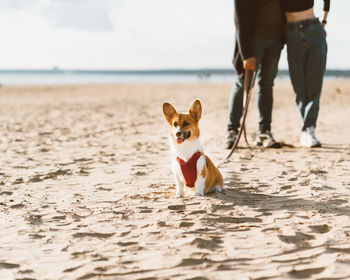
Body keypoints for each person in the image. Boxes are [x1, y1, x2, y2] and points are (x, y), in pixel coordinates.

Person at [226, 0, 285, 149]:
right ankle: (232, 132)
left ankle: (264, 132)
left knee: (267, 85)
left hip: (275, 40)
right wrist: (246, 54)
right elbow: (239, 21)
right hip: (253, 42)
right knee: (243, 84)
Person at [281, 0, 330, 147]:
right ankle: (306, 129)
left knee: (314, 85)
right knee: (299, 87)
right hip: (292, 34)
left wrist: (323, 21)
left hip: (314, 30)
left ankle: (309, 129)